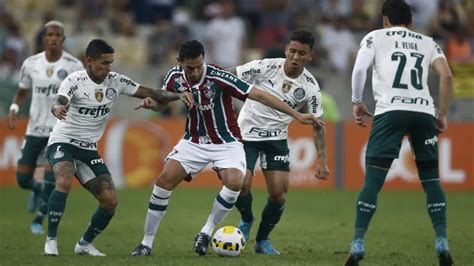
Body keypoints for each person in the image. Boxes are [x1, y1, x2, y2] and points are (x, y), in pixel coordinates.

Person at [130, 40, 320, 257]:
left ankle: (206, 232)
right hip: (194, 141)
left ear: (204, 60)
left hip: (227, 142)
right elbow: (162, 102)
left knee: (235, 182)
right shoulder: (173, 76)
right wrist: (151, 103)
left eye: (199, 66)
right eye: (189, 67)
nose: (194, 71)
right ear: (179, 62)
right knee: (163, 181)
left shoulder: (217, 76)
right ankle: (146, 243)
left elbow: (258, 94)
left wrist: (296, 114)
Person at [43, 39, 193, 256]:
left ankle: (84, 244)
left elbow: (151, 92)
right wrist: (57, 109)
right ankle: (51, 240)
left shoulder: (115, 81)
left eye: (110, 63)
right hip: (63, 142)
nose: (108, 68)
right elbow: (59, 100)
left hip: (88, 149)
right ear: (89, 61)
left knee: (110, 202)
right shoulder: (74, 80)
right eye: (104, 63)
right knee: (64, 181)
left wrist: (179, 95)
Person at [344, 1, 454, 265]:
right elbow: (447, 76)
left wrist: (357, 101)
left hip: (390, 111)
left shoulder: (374, 37)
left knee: (372, 182)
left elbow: (360, 69)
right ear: (411, 22)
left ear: (384, 20)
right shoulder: (428, 42)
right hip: (423, 112)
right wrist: (442, 114)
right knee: (431, 182)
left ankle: (358, 242)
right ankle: (441, 240)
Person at [225, 29, 330, 255]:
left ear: (310, 55)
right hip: (246, 136)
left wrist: (322, 160)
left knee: (278, 194)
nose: (295, 57)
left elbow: (317, 124)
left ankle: (262, 241)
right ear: (286, 50)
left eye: (302, 53)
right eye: (292, 51)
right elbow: (230, 74)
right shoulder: (265, 66)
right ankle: (247, 219)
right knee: (241, 185)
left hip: (276, 139)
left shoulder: (310, 86)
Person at [7, 21, 84, 235]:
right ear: (43, 38)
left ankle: (39, 220)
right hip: (34, 128)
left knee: (53, 178)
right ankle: (37, 190)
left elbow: (81, 96)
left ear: (63, 39)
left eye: (58, 35)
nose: (53, 38)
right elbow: (22, 91)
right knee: (22, 179)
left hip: (59, 131)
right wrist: (14, 108)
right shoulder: (30, 63)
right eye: (50, 34)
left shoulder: (74, 65)